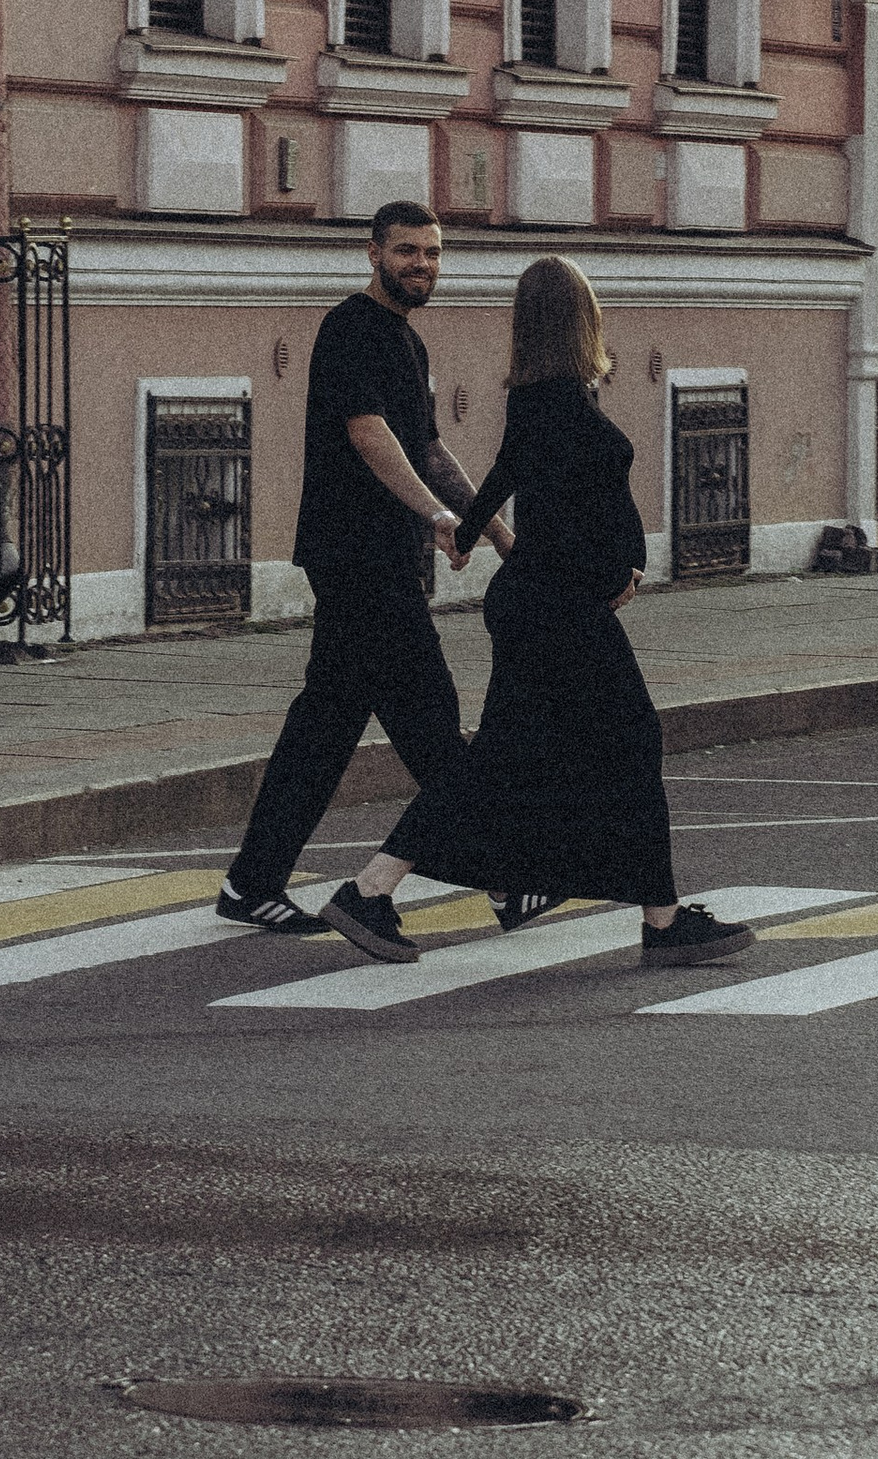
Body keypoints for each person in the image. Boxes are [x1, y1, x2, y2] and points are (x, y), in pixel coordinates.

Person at [323, 256, 753, 973]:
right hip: (557, 605)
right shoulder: (559, 401)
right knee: (628, 739)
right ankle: (662, 921)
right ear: (581, 320)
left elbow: (502, 479)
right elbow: (559, 496)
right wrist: (603, 564)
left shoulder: (542, 397)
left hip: (543, 598)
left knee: (515, 755)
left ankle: (376, 889)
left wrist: (472, 530)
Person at [217, 200, 510, 942]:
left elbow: (431, 449)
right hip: (358, 561)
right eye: (408, 250)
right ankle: (509, 878)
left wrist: (498, 530)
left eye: (434, 253)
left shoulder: (407, 344)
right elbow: (369, 435)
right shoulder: (349, 329)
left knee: (324, 726)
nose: (423, 265)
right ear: (373, 253)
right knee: (435, 731)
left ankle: (250, 883)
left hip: (381, 562)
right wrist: (434, 518)